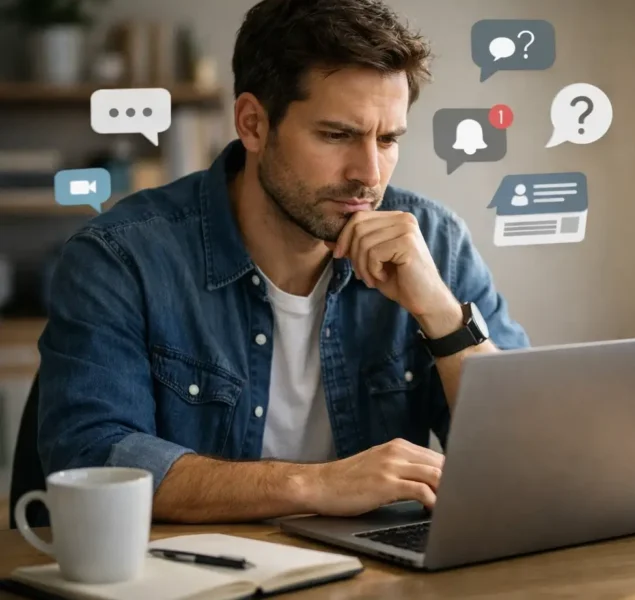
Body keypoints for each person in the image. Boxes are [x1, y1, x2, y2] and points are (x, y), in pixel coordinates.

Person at [36, 0, 529, 524]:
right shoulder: (120, 257)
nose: (369, 173)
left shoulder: (435, 243)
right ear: (252, 124)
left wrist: (443, 316)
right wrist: (315, 484)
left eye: (387, 140)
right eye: (337, 135)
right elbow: (91, 459)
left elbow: (525, 461)